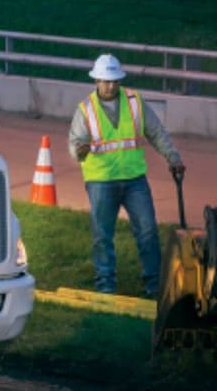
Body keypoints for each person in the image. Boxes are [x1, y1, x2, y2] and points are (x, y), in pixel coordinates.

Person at [69, 54, 185, 297]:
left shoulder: (135, 102)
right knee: (102, 235)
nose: (110, 86)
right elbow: (75, 145)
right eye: (106, 81)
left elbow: (156, 132)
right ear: (96, 81)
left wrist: (173, 157)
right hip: (101, 181)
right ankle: (105, 285)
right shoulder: (85, 110)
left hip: (134, 180)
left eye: (114, 81)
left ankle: (154, 285)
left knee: (148, 231)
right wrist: (79, 150)